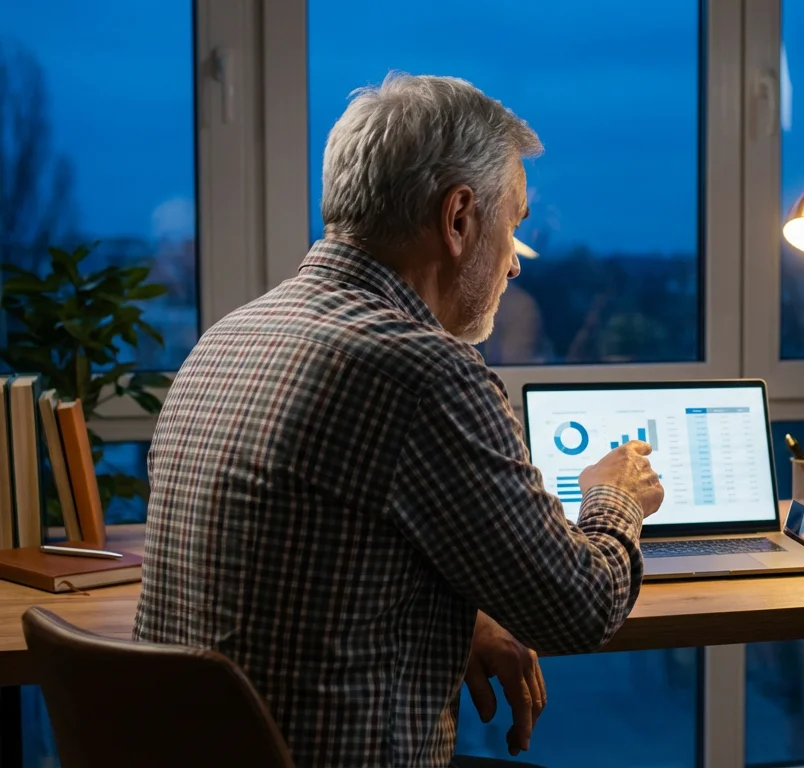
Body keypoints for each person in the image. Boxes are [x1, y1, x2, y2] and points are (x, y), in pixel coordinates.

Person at [133, 73, 665, 768]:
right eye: (513, 225)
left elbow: (303, 567)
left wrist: (460, 620)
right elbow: (581, 608)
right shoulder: (423, 372)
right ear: (458, 219)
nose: (513, 264)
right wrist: (616, 494)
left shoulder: (229, 338)